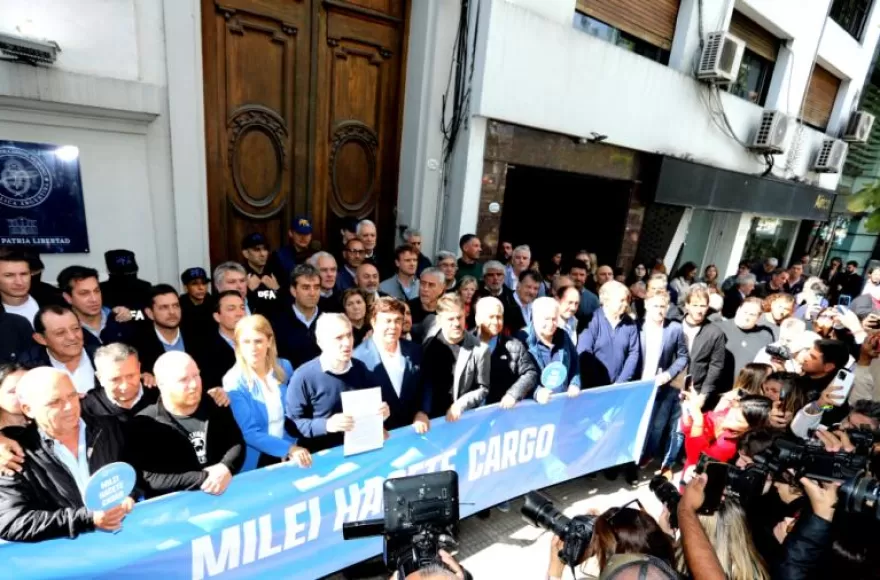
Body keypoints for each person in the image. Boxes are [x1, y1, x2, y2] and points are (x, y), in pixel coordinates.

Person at [0, 368, 133, 542]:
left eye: (72, 395)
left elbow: (143, 473)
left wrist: (131, 494)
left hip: (131, 544)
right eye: (55, 402)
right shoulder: (14, 455)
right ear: (28, 409)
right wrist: (87, 519)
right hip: (72, 560)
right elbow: (12, 521)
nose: (70, 406)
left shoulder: (111, 429)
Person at [127, 352, 245, 498]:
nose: (194, 385)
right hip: (176, 513)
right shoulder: (145, 423)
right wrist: (204, 478)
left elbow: (236, 442)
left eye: (196, 375)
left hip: (225, 502)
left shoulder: (214, 404)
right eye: (183, 380)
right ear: (161, 384)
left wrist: (226, 466)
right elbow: (149, 477)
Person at [223, 315, 311, 471]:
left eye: (258, 341)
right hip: (255, 462)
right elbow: (249, 433)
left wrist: (291, 447)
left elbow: (293, 413)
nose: (253, 348)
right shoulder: (233, 381)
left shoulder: (284, 367)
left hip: (290, 456)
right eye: (246, 342)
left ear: (269, 341)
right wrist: (287, 448)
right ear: (237, 345)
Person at [287, 313, 382, 452]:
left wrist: (380, 413)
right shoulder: (303, 377)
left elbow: (371, 411)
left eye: (349, 335)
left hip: (361, 451)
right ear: (321, 342)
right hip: (322, 460)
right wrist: (327, 425)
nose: (347, 343)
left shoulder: (360, 369)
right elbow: (292, 425)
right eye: (339, 338)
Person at [354, 297, 429, 432]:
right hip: (380, 436)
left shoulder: (415, 350)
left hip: (414, 431)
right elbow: (355, 402)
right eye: (387, 321)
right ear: (373, 322)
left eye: (397, 320)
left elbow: (426, 384)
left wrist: (423, 411)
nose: (393, 327)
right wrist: (373, 425)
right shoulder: (358, 358)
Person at [639, 290, 689, 473]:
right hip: (636, 385)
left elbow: (683, 356)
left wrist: (669, 374)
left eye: (663, 306)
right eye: (655, 306)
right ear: (646, 305)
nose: (659, 310)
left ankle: (646, 455)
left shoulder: (674, 328)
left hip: (660, 386)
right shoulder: (637, 326)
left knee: (655, 426)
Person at [421, 295, 490, 420]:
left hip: (458, 418)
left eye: (459, 317)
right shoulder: (429, 334)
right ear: (439, 320)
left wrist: (460, 405)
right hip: (428, 416)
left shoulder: (480, 349)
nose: (457, 323)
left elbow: (483, 388)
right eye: (450, 319)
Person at [681, 392, 772, 471]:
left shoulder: (730, 446)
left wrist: (698, 420)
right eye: (733, 410)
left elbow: (694, 459)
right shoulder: (726, 414)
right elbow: (688, 427)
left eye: (738, 420)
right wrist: (689, 410)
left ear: (750, 429)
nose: (730, 417)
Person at [473, 297, 539, 408]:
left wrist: (513, 394)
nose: (495, 322)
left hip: (501, 412)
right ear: (478, 318)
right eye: (491, 317)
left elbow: (530, 373)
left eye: (499, 317)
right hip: (468, 416)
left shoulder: (513, 345)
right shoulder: (464, 344)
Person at [21, 305, 98, 395]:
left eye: (76, 329)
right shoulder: (30, 369)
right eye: (60, 333)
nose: (72, 337)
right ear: (41, 339)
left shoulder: (103, 357)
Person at [577, 280, 640, 388]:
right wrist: (600, 386)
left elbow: (633, 353)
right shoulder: (591, 321)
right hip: (594, 386)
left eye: (626, 300)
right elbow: (584, 353)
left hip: (619, 386)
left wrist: (620, 383)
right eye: (621, 300)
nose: (626, 304)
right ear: (606, 301)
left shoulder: (630, 323)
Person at [57, 265, 133, 347]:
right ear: (68, 297)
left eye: (96, 291)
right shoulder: (62, 329)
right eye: (84, 293)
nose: (94, 299)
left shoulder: (120, 318)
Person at [522, 297, 580, 403]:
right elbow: (516, 377)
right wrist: (536, 392)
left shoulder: (563, 336)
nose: (551, 324)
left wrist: (574, 383)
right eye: (546, 319)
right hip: (533, 409)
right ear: (534, 317)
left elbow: (575, 363)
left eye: (554, 319)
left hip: (562, 404)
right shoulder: (522, 340)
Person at [81, 343, 159, 422]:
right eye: (115, 379)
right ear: (100, 378)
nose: (124, 386)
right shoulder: (87, 409)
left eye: (130, 376)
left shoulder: (160, 394)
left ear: (139, 368)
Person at [131, 284, 198, 375]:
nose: (172, 312)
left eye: (175, 306)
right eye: (164, 307)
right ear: (150, 313)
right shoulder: (138, 345)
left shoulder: (198, 336)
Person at [191, 290, 246, 393]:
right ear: (217, 317)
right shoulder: (204, 349)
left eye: (242, 308)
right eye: (231, 309)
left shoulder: (258, 341)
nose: (240, 313)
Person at [717, 298, 775, 392]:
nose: (746, 317)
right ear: (738, 309)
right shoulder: (718, 328)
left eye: (752, 314)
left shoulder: (765, 336)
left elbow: (766, 366)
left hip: (746, 391)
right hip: (718, 387)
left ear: (759, 317)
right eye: (745, 312)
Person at [273, 264, 323, 367]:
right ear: (293, 291)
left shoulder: (330, 320)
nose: (312, 293)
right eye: (306, 287)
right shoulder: (278, 323)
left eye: (316, 287)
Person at [179, 267, 216, 338]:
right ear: (186, 287)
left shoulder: (215, 304)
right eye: (194, 284)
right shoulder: (179, 306)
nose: (201, 287)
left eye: (204, 283)